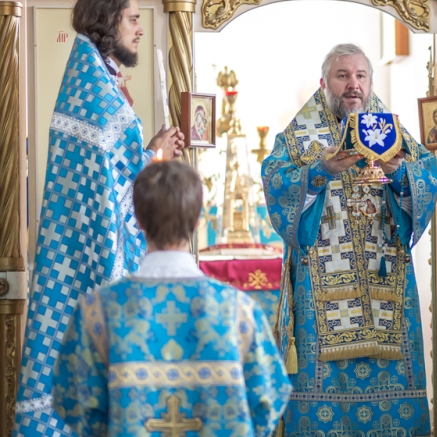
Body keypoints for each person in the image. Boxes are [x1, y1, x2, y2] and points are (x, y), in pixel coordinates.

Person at [14, 0, 184, 436]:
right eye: (132, 19)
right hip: (92, 248)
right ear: (108, 21)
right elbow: (119, 177)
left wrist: (150, 151)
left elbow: (113, 174)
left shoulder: (93, 77)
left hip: (82, 245)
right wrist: (156, 154)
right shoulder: (97, 91)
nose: (139, 30)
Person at [262, 44, 437, 435]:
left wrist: (399, 173)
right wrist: (320, 170)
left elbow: (428, 176)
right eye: (343, 76)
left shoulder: (392, 135)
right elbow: (276, 182)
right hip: (319, 293)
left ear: (370, 82)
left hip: (384, 287)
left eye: (360, 76)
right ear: (325, 83)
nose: (353, 85)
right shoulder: (299, 138)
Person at [51, 160, 292, 435]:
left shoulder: (98, 311)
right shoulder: (238, 309)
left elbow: (71, 400)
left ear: (139, 219)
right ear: (198, 220)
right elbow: (269, 399)